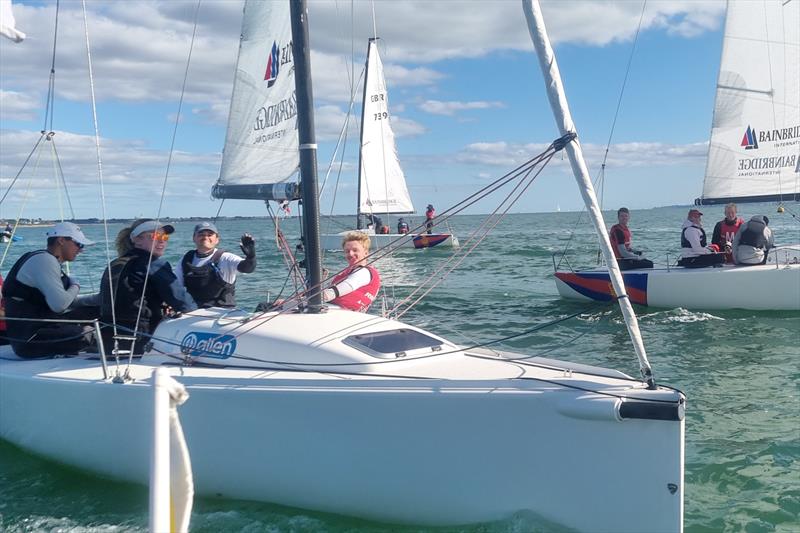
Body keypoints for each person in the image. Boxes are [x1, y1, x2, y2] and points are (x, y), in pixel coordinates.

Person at [1, 222, 99, 358]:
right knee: (88, 333)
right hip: (30, 340)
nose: (81, 250)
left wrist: (99, 299)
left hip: (42, 328)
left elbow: (67, 301)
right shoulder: (44, 260)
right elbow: (59, 305)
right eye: (79, 244)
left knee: (97, 312)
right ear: (61, 241)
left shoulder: (46, 260)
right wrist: (76, 285)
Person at [100, 219, 197, 355]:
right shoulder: (153, 264)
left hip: (109, 337)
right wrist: (200, 316)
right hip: (142, 337)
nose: (162, 241)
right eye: (155, 236)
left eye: (164, 237)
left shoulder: (115, 264)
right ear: (136, 239)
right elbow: (181, 300)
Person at [175, 221, 256, 308]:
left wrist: (251, 257)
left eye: (210, 234)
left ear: (217, 239)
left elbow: (248, 268)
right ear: (194, 238)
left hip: (222, 313)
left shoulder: (225, 258)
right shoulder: (186, 260)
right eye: (201, 234)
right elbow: (176, 287)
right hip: (193, 312)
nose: (205, 237)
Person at [322, 231, 381, 312]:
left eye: (355, 250)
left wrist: (315, 298)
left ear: (366, 253)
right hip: (332, 310)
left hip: (346, 315)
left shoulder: (364, 273)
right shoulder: (347, 272)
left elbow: (348, 285)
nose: (350, 254)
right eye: (347, 251)